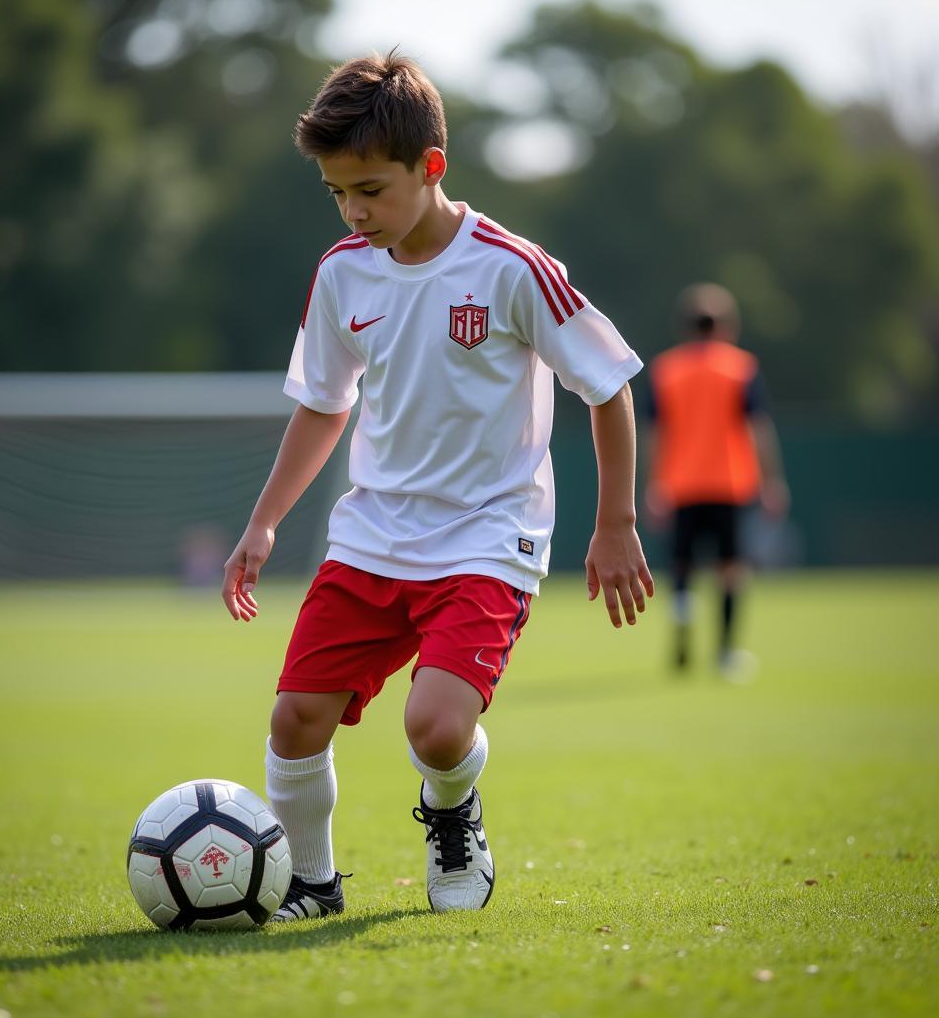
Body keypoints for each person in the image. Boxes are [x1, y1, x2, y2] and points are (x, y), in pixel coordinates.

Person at [221, 52, 654, 921]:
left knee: (438, 727)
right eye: (338, 192)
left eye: (371, 189)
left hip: (490, 536)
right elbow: (321, 406)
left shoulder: (511, 267)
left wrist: (616, 522)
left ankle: (455, 820)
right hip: (373, 535)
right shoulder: (344, 271)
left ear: (432, 167)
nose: (354, 210)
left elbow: (608, 384)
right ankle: (312, 882)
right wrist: (264, 522)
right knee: (294, 721)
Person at [644, 282, 789, 678]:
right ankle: (725, 654)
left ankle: (682, 640)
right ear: (726, 326)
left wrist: (653, 485)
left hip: (680, 484)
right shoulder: (740, 368)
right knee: (730, 569)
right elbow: (757, 427)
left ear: (686, 327)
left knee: (682, 568)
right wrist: (772, 480)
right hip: (729, 483)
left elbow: (655, 433)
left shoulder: (666, 370)